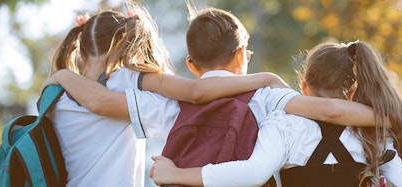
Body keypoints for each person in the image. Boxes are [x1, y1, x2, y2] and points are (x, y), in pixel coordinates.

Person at [45, 5, 289, 187]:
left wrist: (62, 76)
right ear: (125, 48)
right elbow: (195, 95)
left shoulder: (58, 99)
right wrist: (265, 79)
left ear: (82, 56)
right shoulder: (128, 81)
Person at [149, 41, 402, 187]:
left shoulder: (284, 127)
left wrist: (178, 173)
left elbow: (252, 172)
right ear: (351, 92)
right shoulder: (373, 135)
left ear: (303, 86)